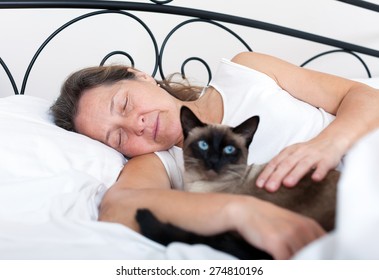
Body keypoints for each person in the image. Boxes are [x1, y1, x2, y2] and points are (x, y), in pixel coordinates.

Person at [50, 51, 379, 259]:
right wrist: (240, 210)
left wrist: (328, 144)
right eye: (117, 136)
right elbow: (119, 208)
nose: (135, 124)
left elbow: (362, 94)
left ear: (140, 76)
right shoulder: (159, 163)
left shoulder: (246, 71)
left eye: (123, 104)